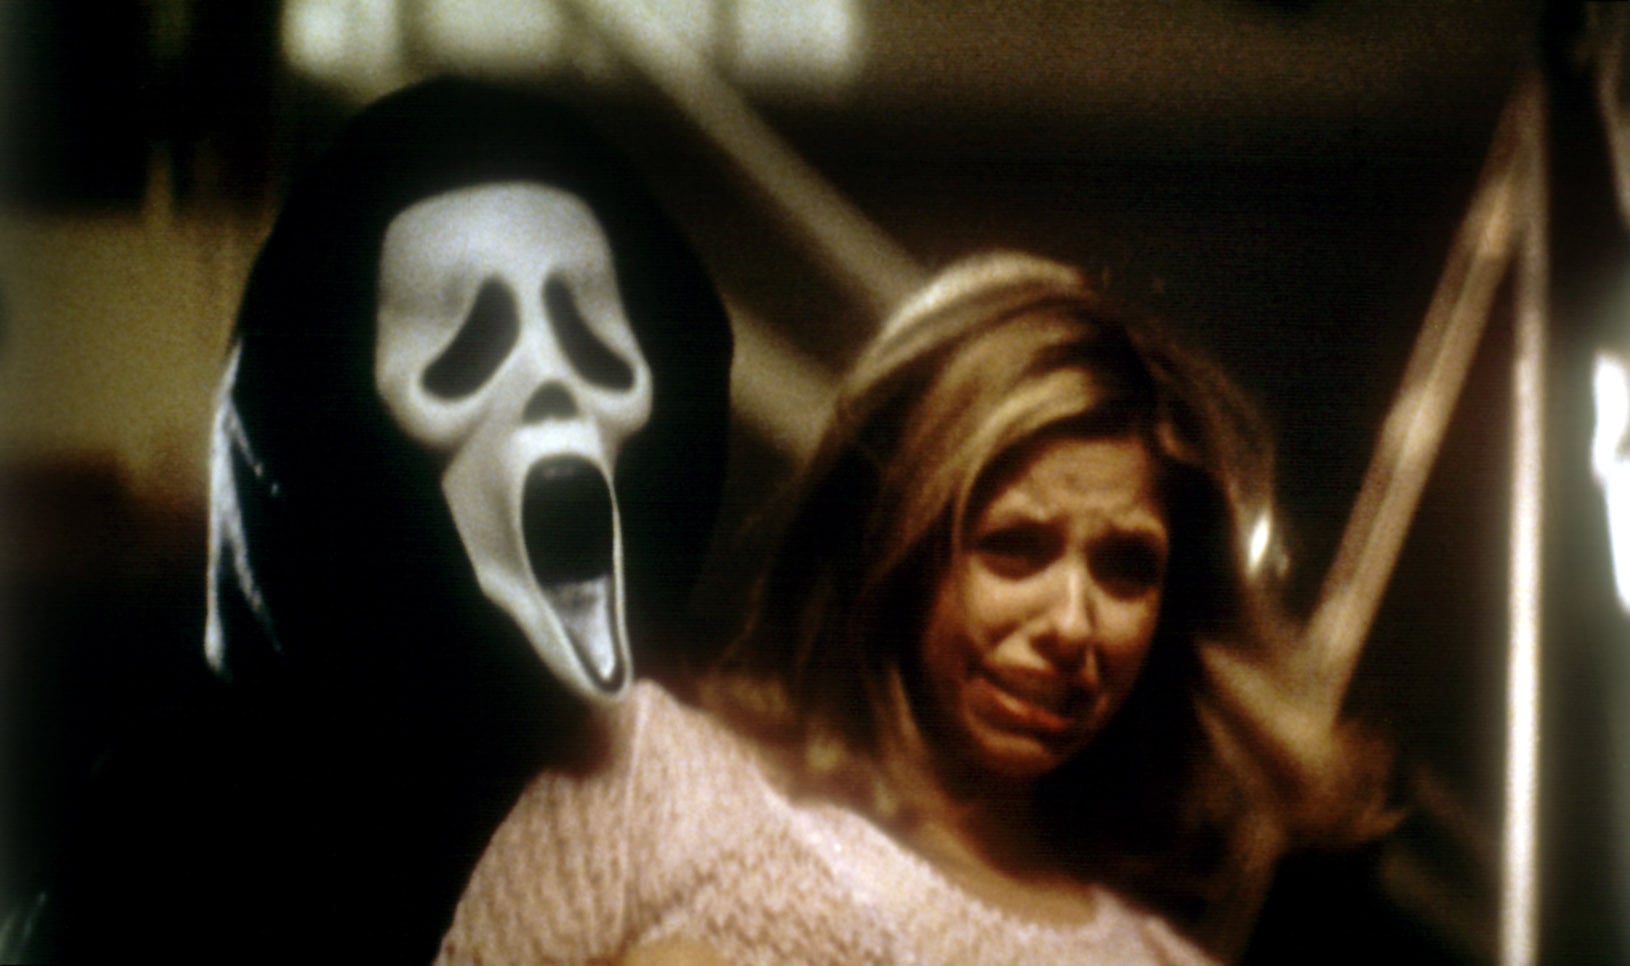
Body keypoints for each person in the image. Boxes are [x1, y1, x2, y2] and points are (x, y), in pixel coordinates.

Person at [441, 252, 1388, 963]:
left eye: (1126, 568)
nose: (1073, 623)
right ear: (893, 541)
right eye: (1014, 546)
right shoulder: (649, 778)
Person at [43, 77, 733, 962]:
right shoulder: (159, 858)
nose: (551, 392)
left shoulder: (725, 824)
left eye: (595, 341)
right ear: (324, 437)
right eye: (465, 352)